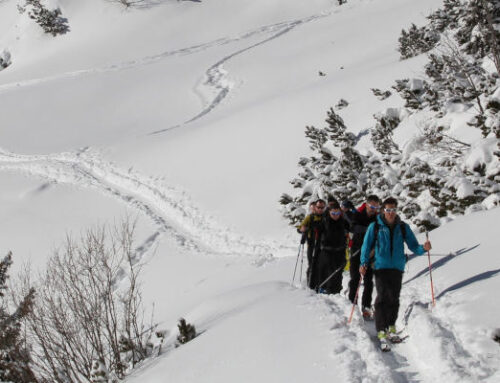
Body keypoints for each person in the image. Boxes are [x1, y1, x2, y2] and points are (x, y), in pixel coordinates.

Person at [360, 197, 431, 351]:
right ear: (383, 210)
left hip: (397, 267)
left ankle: (390, 327)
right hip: (380, 266)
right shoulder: (375, 227)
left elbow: (413, 245)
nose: (391, 213)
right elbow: (366, 246)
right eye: (388, 210)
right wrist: (363, 263)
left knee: (394, 297)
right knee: (382, 297)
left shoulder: (403, 227)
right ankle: (381, 330)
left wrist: (423, 249)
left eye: (393, 210)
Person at [348, 195, 381, 319]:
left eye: (376, 207)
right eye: (372, 206)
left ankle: (366, 306)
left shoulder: (378, 218)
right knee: (355, 278)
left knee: (368, 281)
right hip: (357, 250)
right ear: (366, 205)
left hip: (370, 253)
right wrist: (368, 229)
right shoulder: (358, 214)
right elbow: (352, 227)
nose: (373, 209)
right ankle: (352, 303)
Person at [315, 202, 349, 294]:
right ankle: (323, 289)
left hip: (340, 251)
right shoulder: (324, 221)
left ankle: (336, 291)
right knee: (325, 271)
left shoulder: (343, 222)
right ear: (329, 212)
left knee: (338, 273)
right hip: (326, 251)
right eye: (333, 213)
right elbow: (316, 232)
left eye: (337, 213)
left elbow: (351, 231)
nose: (335, 215)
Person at [299, 199, 326, 289]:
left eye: (322, 207)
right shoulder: (310, 217)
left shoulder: (326, 217)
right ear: (315, 207)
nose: (320, 209)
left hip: (322, 245)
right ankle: (310, 284)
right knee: (312, 264)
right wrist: (302, 229)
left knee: (321, 265)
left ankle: (319, 285)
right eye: (319, 207)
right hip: (311, 244)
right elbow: (301, 227)